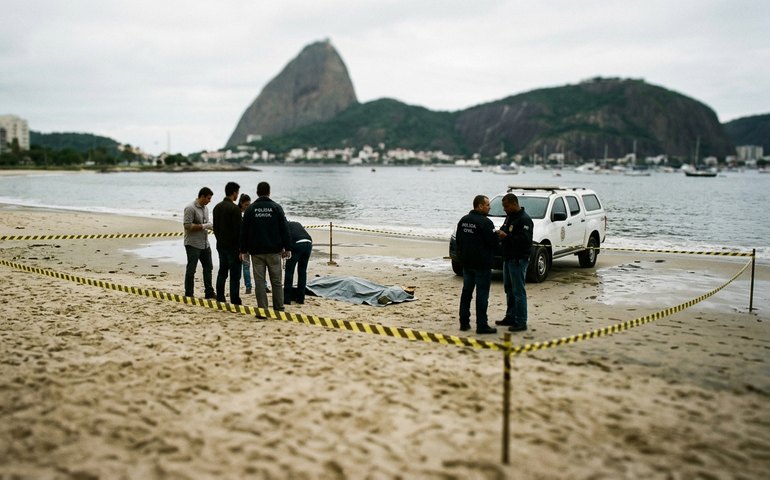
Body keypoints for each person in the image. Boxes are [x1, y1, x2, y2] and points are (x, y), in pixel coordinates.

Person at [240, 181, 291, 316]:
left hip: (256, 252)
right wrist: (287, 247)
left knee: (259, 282)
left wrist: (243, 250)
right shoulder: (276, 208)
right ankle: (279, 309)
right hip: (274, 250)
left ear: (257, 193)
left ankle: (262, 310)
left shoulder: (250, 209)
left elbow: (244, 232)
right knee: (276, 282)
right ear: (269, 192)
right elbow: (284, 229)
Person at [455, 195, 499, 334]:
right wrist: (498, 237)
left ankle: (464, 322)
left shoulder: (464, 220)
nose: (489, 207)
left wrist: (462, 257)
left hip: (467, 263)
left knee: (466, 293)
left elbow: (458, 240)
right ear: (480, 206)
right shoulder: (486, 222)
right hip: (482, 264)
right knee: (482, 295)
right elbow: (494, 243)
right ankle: (482, 325)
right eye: (487, 205)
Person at [495, 193, 534, 332]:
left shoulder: (525, 220)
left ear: (514, 204)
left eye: (506, 206)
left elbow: (524, 241)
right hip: (508, 257)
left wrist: (506, 236)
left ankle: (521, 321)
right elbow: (505, 230)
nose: (504, 209)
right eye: (503, 206)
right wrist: (499, 233)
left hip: (518, 259)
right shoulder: (510, 216)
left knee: (518, 291)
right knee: (509, 289)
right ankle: (510, 316)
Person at [213, 181, 242, 305]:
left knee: (222, 272)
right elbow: (238, 231)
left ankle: (220, 296)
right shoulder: (235, 209)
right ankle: (234, 299)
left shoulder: (217, 207)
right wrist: (241, 249)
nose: (237, 196)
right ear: (234, 193)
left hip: (221, 244)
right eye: (237, 193)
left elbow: (215, 228)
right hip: (233, 247)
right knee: (235, 275)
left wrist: (219, 239)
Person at [183, 187, 215, 299]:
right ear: (202, 196)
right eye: (208, 198)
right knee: (191, 269)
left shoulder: (205, 208)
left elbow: (206, 223)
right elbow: (187, 226)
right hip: (193, 244)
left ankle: (209, 292)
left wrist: (211, 227)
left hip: (205, 243)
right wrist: (204, 226)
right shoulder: (190, 208)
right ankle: (189, 293)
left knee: (208, 268)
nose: (210, 201)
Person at [284, 221, 313, 305]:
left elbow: (285, 239)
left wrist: (285, 251)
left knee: (289, 271)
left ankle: (287, 299)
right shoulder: (297, 223)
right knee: (302, 271)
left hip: (297, 244)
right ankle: (301, 298)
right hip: (308, 243)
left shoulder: (283, 226)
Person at [238, 193, 253, 295]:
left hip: (250, 243)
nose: (248, 207)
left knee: (256, 266)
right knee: (246, 266)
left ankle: (263, 285)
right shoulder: (239, 214)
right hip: (244, 244)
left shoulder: (247, 214)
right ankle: (248, 286)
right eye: (246, 205)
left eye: (249, 205)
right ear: (241, 203)